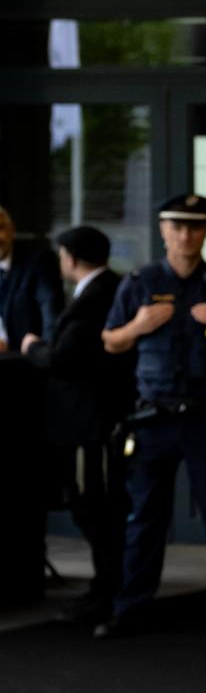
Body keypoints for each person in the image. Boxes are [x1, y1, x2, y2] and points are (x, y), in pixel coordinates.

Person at [98, 194, 206, 638]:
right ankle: (129, 608)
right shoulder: (139, 281)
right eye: (177, 226)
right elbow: (111, 342)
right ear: (162, 230)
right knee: (145, 518)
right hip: (154, 419)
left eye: (195, 226)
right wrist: (137, 326)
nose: (186, 234)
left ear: (205, 231)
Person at [20, 226, 133, 624]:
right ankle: (108, 585)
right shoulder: (105, 291)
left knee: (95, 507)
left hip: (90, 424)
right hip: (89, 421)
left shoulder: (97, 297)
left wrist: (32, 346)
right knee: (95, 506)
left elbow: (65, 358)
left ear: (70, 257)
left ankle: (109, 588)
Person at [0, 204, 66, 604]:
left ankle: (22, 580)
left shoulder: (36, 262)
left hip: (19, 386)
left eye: (3, 226)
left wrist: (38, 348)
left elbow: (50, 313)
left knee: (21, 483)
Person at [0, 204, 64, 353]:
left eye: (1, 227)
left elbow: (50, 308)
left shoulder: (39, 261)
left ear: (12, 230)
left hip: (24, 360)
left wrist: (47, 353)